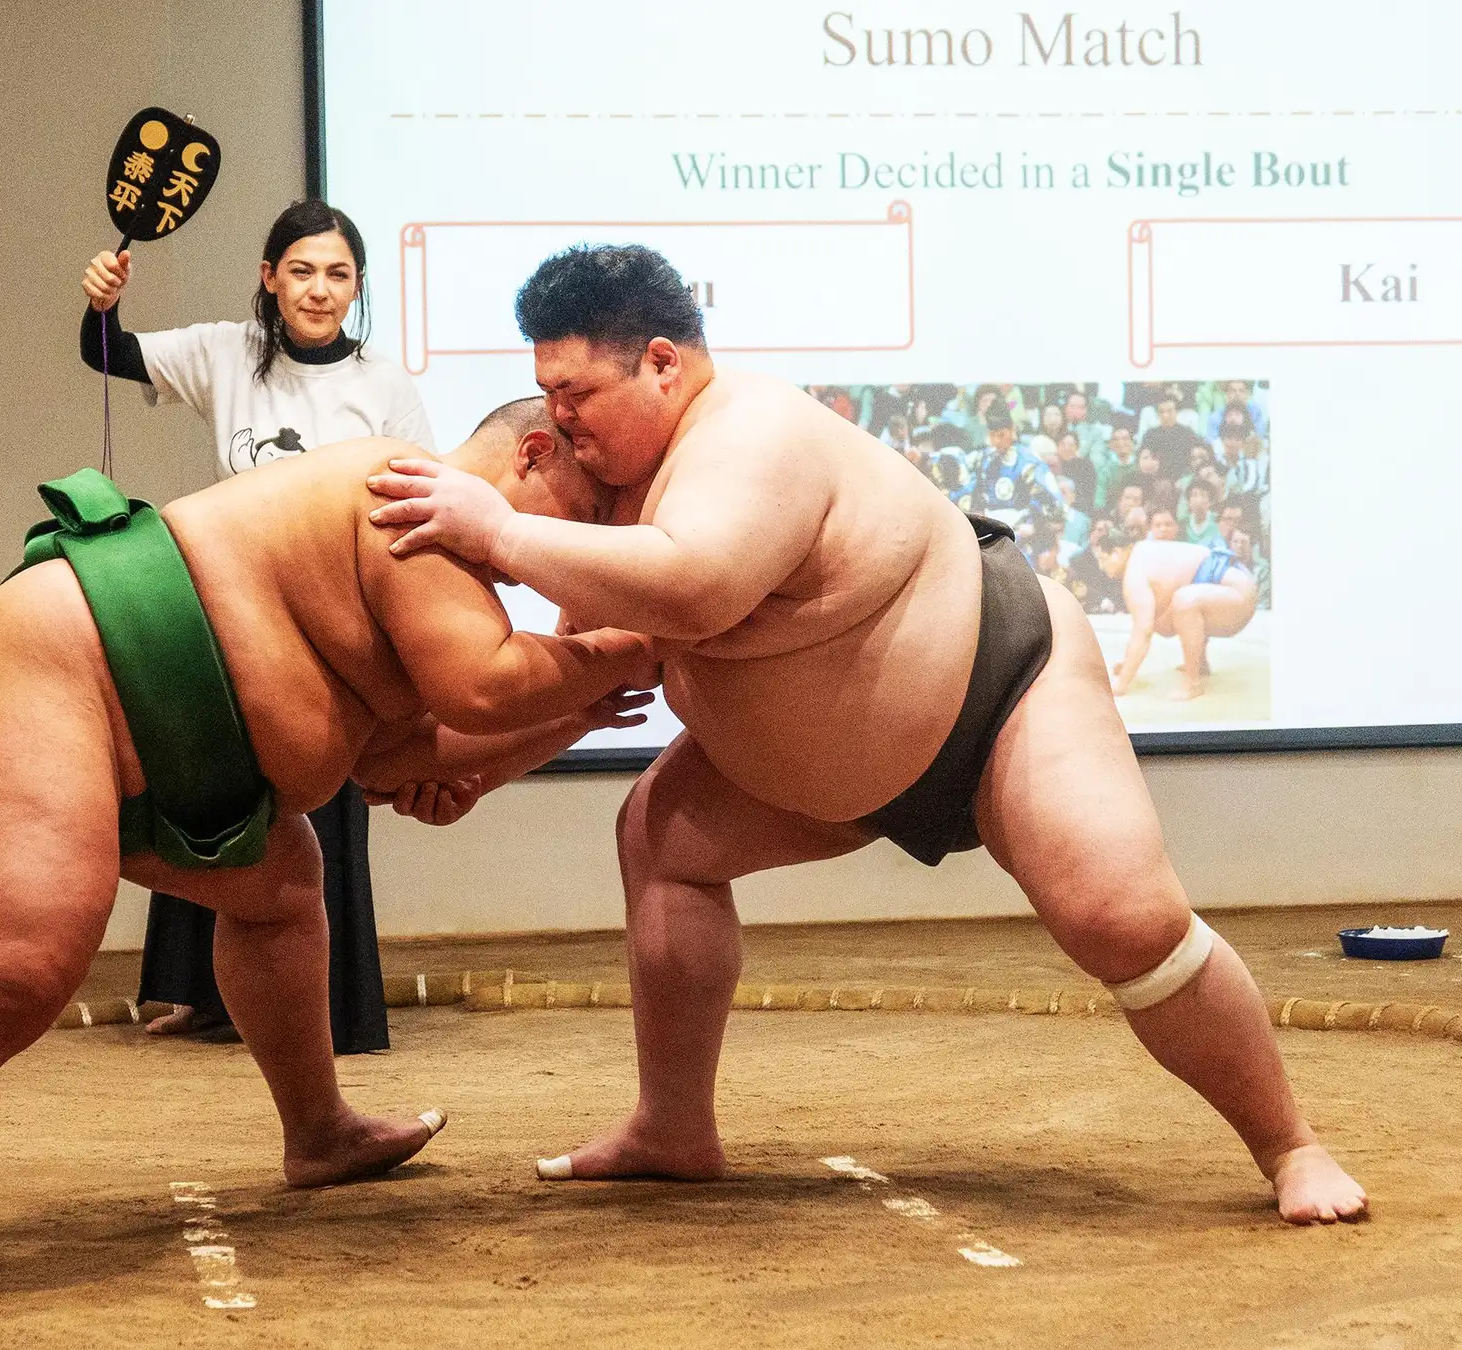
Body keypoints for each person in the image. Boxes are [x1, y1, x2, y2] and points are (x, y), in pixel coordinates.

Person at [366, 243, 1364, 1225]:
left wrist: (499, 532)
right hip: (832, 778)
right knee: (660, 838)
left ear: (662, 364)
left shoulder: (751, 433)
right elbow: (588, 679)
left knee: (1123, 922)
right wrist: (473, 773)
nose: (561, 418)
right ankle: (672, 1126)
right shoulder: (612, 504)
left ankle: (1290, 1144)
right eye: (548, 393)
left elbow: (699, 584)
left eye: (576, 392)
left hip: (1001, 693)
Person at [0, 399, 659, 1319]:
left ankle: (320, 1135)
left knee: (280, 888)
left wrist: (574, 711)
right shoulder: (413, 496)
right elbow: (482, 685)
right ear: (533, 453)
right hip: (58, 664)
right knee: (6, 974)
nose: (574, 552)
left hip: (160, 733)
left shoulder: (447, 575)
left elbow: (400, 758)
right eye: (586, 518)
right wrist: (626, 646)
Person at [80, 198, 429, 1051]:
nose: (319, 290)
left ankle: (326, 1011)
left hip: (338, 634)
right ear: (269, 278)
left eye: (338, 274)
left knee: (321, 818)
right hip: (233, 620)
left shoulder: (384, 383)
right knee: (210, 797)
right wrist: (104, 303)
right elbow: (107, 352)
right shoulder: (224, 352)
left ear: (358, 287)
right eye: (301, 271)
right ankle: (205, 998)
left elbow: (424, 498)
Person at [1110, 531, 1259, 700]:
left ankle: (1193, 684)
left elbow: (1143, 631)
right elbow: (1148, 623)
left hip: (1237, 594)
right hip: (1232, 589)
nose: (1101, 567)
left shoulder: (1134, 571)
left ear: (1116, 553)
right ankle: (1200, 665)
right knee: (1173, 609)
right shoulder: (1142, 552)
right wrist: (1127, 664)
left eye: (1102, 559)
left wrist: (1121, 683)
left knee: (1184, 602)